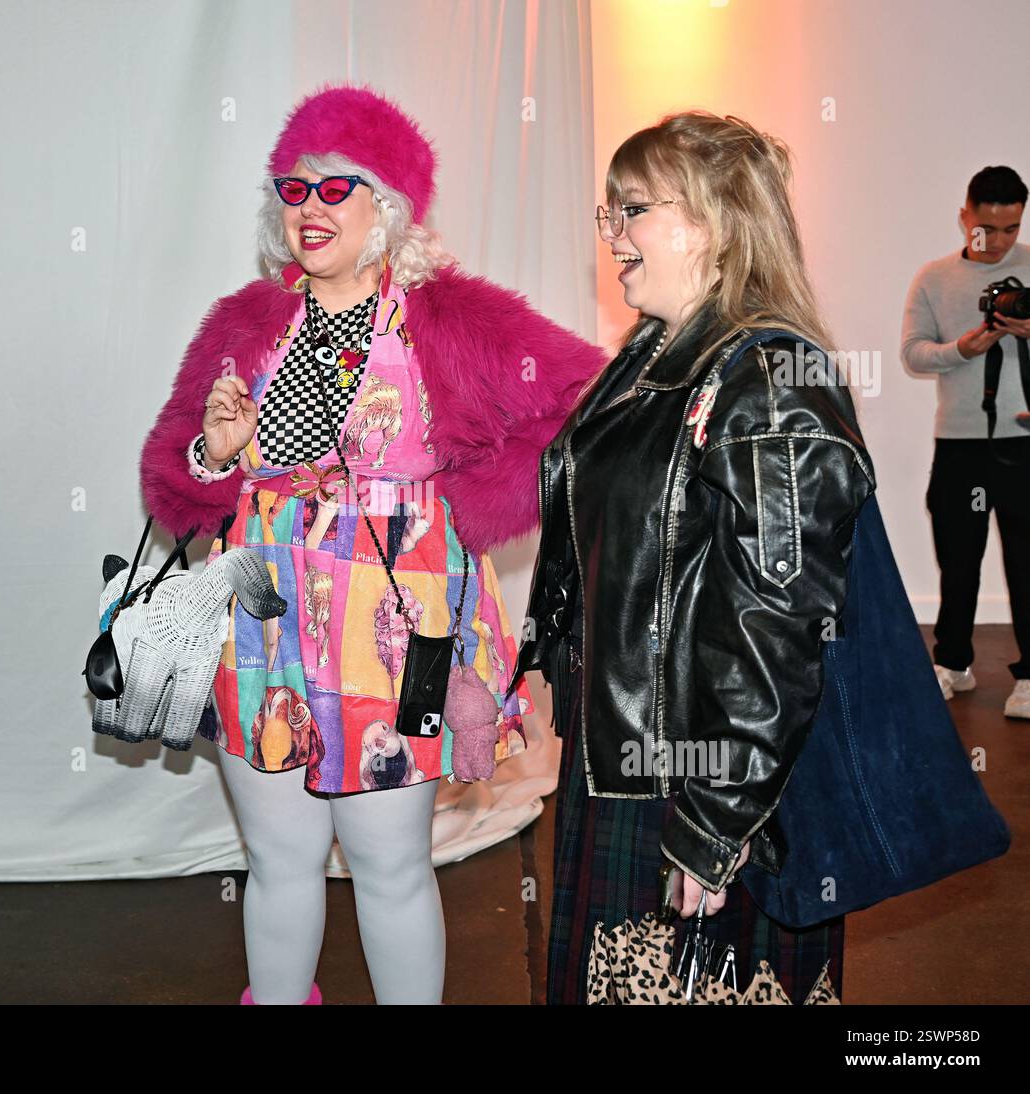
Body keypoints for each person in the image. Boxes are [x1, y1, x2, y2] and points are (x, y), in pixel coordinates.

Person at [139, 82, 606, 1004]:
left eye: (335, 187)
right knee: (278, 861)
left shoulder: (451, 317)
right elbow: (173, 485)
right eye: (293, 189)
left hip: (395, 635)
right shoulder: (245, 322)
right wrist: (212, 453)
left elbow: (585, 399)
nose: (309, 209)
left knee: (390, 865)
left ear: (387, 204)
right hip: (263, 623)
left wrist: (474, 496)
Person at [510, 111, 876, 1004]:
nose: (614, 236)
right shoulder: (653, 356)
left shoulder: (772, 380)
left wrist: (717, 827)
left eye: (630, 209)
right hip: (632, 764)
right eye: (610, 214)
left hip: (703, 782)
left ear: (712, 220)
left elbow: (779, 624)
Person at [901, 165, 1030, 719]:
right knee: (959, 560)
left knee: (1028, 563)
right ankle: (953, 661)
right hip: (959, 441)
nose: (998, 241)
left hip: (1026, 440)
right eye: (986, 228)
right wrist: (964, 348)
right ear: (964, 218)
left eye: (1011, 229)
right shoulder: (932, 277)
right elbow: (912, 353)